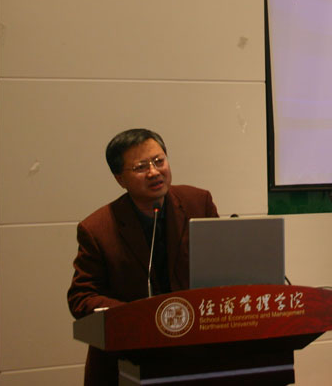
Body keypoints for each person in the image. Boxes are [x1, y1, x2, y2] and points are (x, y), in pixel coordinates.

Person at [67, 128, 219, 385]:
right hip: (127, 360)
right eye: (140, 167)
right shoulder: (97, 229)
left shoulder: (198, 203)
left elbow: (221, 267)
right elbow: (81, 297)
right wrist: (137, 315)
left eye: (159, 161)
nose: (154, 172)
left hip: (194, 356)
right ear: (120, 179)